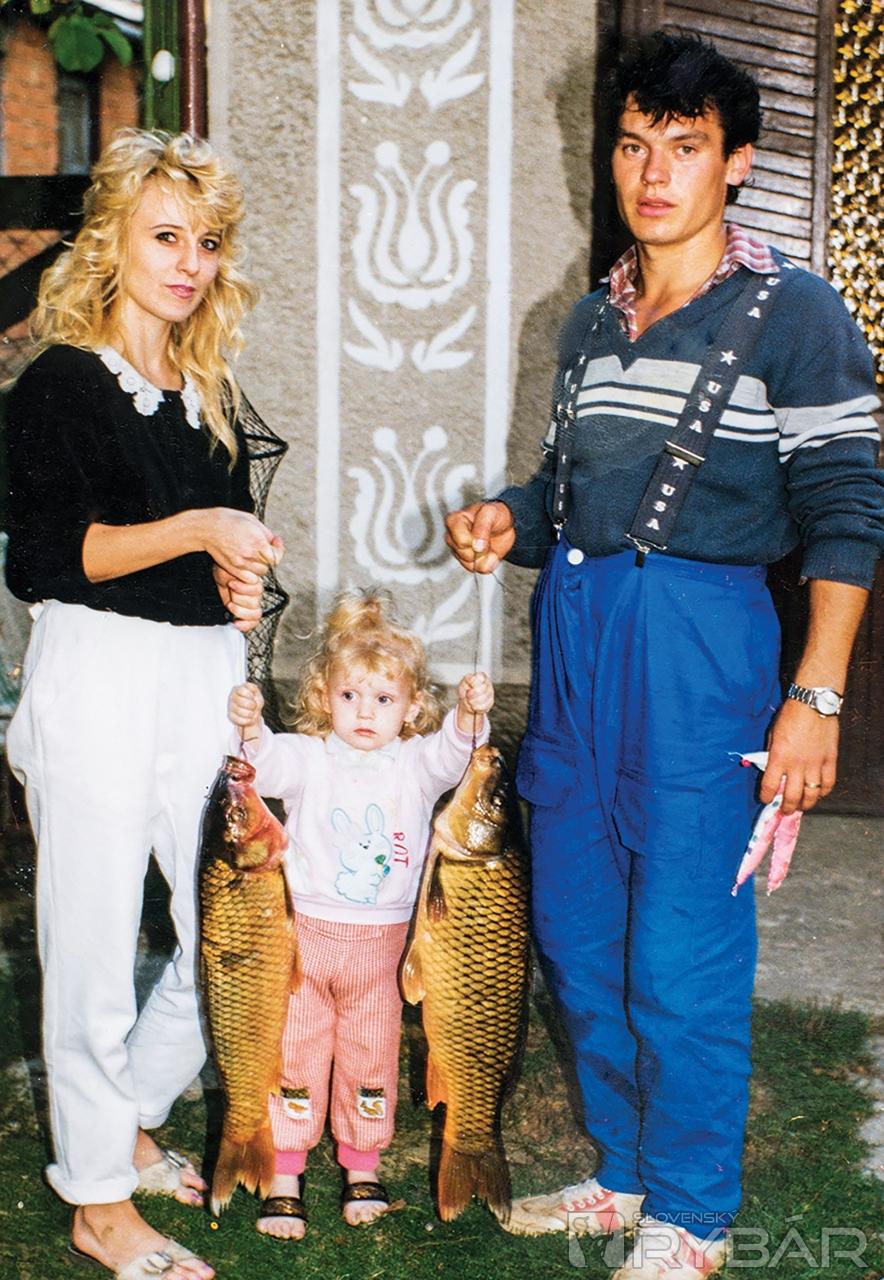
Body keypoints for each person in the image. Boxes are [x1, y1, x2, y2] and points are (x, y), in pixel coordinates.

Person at [444, 31, 882, 1280]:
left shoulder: (797, 314)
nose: (650, 174)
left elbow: (848, 508)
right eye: (632, 146)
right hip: (576, 641)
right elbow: (564, 492)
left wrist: (814, 693)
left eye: (682, 149)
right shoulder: (589, 317)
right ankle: (626, 1170)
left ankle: (689, 1215)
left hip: (700, 651)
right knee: (579, 937)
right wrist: (505, 518)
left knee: (680, 956)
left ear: (734, 163)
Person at [4, 129, 283, 1280]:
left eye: (206, 242)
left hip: (202, 673)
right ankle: (97, 1199)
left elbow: (208, 557)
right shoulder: (58, 383)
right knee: (89, 945)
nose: (188, 263)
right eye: (165, 236)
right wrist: (200, 529)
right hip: (97, 673)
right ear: (111, 240)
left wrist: (237, 579)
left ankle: (126, 1114)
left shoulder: (208, 392)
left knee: (243, 914)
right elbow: (49, 557)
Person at [226, 590, 494, 1240]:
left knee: (371, 1054)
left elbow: (456, 756)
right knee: (294, 1051)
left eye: (383, 699)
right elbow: (263, 767)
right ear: (324, 697)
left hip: (381, 951)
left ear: (411, 707)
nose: (366, 712)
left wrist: (469, 715)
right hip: (304, 942)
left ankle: (361, 1164)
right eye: (350, 696)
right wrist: (250, 728)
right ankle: (284, 1171)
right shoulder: (309, 756)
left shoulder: (414, 764)